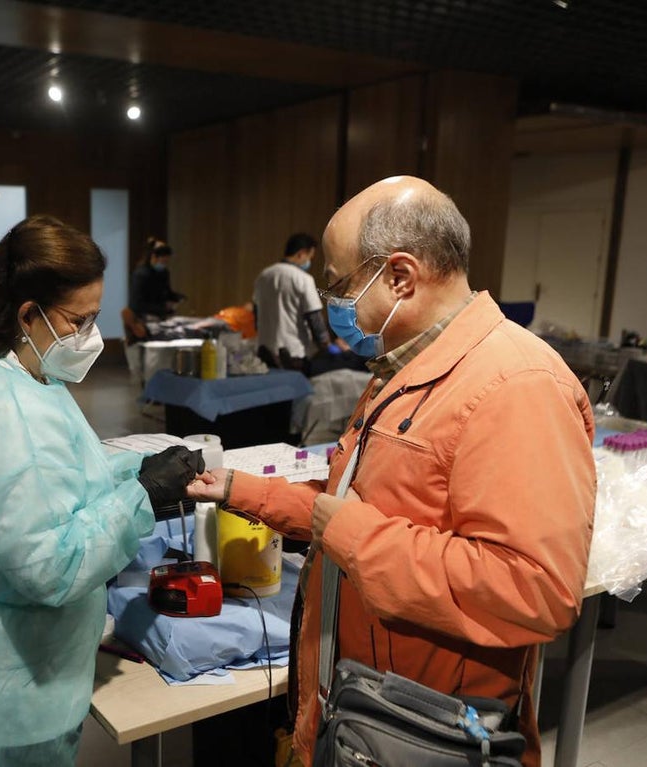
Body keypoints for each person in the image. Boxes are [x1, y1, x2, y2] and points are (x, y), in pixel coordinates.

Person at [189, 176, 596, 767]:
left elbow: (533, 588)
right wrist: (237, 489)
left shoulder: (516, 386)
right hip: (361, 714)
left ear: (400, 277)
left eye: (339, 285)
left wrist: (356, 536)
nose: (334, 305)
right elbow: (352, 502)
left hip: (422, 732)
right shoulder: (407, 368)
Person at [0, 214, 206, 766]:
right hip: (1, 687)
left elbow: (55, 476)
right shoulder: (1, 406)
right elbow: (47, 566)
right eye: (78, 320)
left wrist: (136, 472)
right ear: (28, 314)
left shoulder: (15, 369)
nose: (89, 336)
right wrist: (142, 499)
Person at [253, 232, 334, 373]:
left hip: (265, 352)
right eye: (310, 257)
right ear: (302, 253)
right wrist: (326, 347)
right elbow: (314, 318)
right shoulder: (302, 278)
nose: (309, 262)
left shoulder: (263, 276)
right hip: (293, 355)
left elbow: (256, 313)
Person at [128, 236, 185, 321]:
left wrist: (177, 298)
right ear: (154, 257)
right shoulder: (141, 274)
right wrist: (163, 307)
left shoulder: (164, 273)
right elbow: (136, 304)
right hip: (144, 318)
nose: (165, 264)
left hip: (161, 316)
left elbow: (167, 292)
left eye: (167, 262)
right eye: (163, 261)